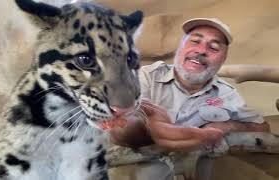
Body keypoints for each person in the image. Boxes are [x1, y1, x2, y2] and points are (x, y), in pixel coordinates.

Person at [110, 18, 270, 180]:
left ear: (222, 60)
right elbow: (120, 122)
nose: (201, 50)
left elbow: (262, 127)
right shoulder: (146, 76)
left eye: (213, 47)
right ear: (180, 47)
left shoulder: (226, 93)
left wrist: (226, 126)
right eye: (195, 41)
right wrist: (146, 127)